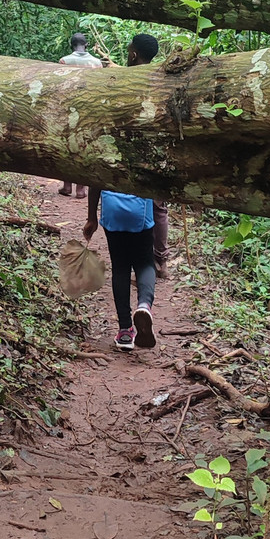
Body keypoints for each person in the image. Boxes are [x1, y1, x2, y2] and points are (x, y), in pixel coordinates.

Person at [84, 186, 156, 351]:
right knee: (144, 262)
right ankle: (144, 305)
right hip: (140, 209)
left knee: (120, 267)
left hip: (112, 210)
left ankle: (125, 331)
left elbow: (94, 182)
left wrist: (91, 217)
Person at [126, 34, 171, 277]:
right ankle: (161, 261)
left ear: (134, 55)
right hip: (161, 148)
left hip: (137, 149)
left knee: (138, 206)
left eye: (129, 50)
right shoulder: (161, 76)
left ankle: (144, 263)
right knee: (159, 207)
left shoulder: (129, 78)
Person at [58, 32, 103, 199]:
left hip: (67, 110)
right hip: (88, 110)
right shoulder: (97, 63)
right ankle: (81, 189)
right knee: (84, 147)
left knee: (66, 146)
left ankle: (67, 186)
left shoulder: (64, 61)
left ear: (71, 45)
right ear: (87, 44)